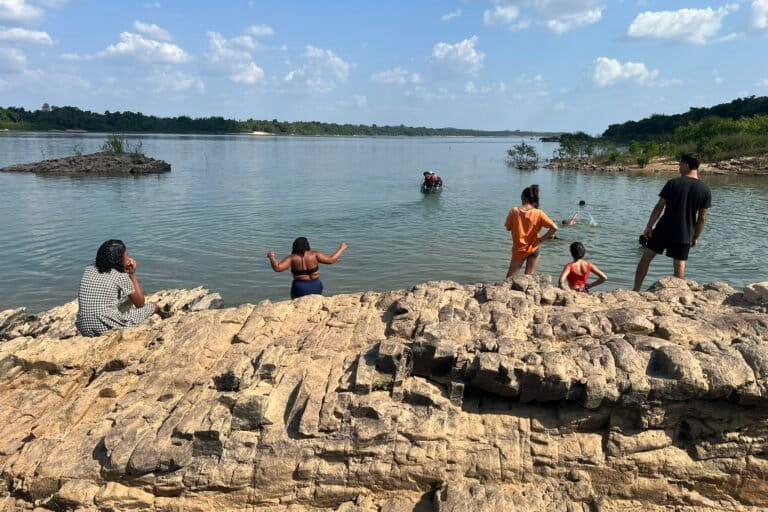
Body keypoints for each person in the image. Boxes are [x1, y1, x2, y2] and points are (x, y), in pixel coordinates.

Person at [633, 153, 711, 291]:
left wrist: (649, 226)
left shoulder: (673, 183)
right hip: (685, 232)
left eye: (680, 164)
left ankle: (636, 290)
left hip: (664, 228)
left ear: (687, 165)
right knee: (679, 263)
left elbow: (659, 207)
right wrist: (695, 237)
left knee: (646, 257)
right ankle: (677, 293)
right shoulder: (705, 189)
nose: (679, 167)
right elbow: (702, 217)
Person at [76, 239, 164, 337]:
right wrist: (131, 274)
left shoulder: (89, 269)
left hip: (83, 327)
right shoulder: (120, 275)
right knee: (152, 306)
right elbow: (140, 303)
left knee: (122, 295)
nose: (129, 259)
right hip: (107, 328)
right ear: (119, 259)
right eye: (126, 256)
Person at [504, 184, 558, 278]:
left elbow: (508, 227)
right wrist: (541, 239)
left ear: (523, 197)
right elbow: (554, 228)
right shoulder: (538, 213)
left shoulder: (514, 211)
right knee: (528, 277)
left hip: (519, 249)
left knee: (510, 278)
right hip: (534, 247)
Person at [267, 237, 348, 299]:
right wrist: (341, 249)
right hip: (315, 286)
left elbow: (277, 268)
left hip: (299, 287)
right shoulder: (315, 254)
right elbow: (331, 260)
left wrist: (272, 257)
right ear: (307, 245)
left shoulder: (291, 258)